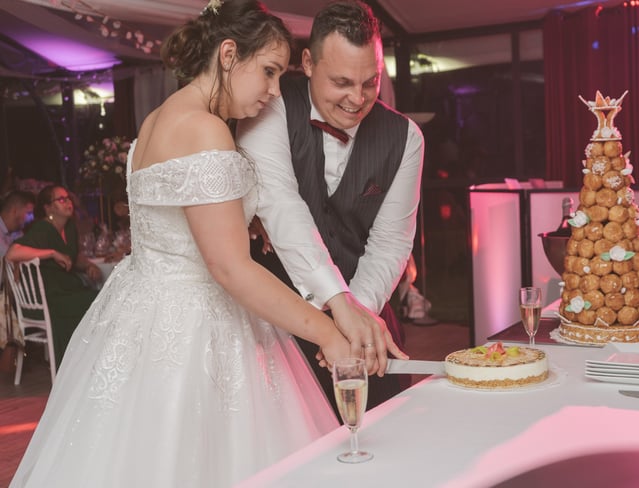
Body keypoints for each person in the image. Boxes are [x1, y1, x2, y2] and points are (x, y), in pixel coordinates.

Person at [11, 1, 400, 486]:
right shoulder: (205, 130)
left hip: (138, 314)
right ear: (229, 54)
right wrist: (326, 332)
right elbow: (230, 268)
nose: (274, 91)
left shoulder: (156, 121)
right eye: (269, 72)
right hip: (196, 326)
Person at [237, 0, 422, 410]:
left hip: (366, 310)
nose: (358, 98)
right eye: (342, 82)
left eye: (370, 82)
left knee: (384, 438)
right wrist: (334, 314)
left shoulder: (406, 137)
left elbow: (391, 242)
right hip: (277, 321)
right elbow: (281, 207)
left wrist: (356, 318)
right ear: (306, 63)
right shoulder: (267, 104)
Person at [5, 185, 101, 368]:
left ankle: (96, 360)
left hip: (68, 289)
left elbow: (71, 257)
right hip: (50, 295)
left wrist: (88, 265)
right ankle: (83, 364)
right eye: (61, 199)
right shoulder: (43, 228)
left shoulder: (70, 228)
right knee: (98, 300)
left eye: (68, 198)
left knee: (101, 296)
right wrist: (51, 253)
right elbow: (12, 253)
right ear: (48, 208)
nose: (68, 203)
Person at [0, 190, 35, 258]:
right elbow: (9, 257)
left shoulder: (17, 232)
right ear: (14, 211)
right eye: (29, 213)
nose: (32, 218)